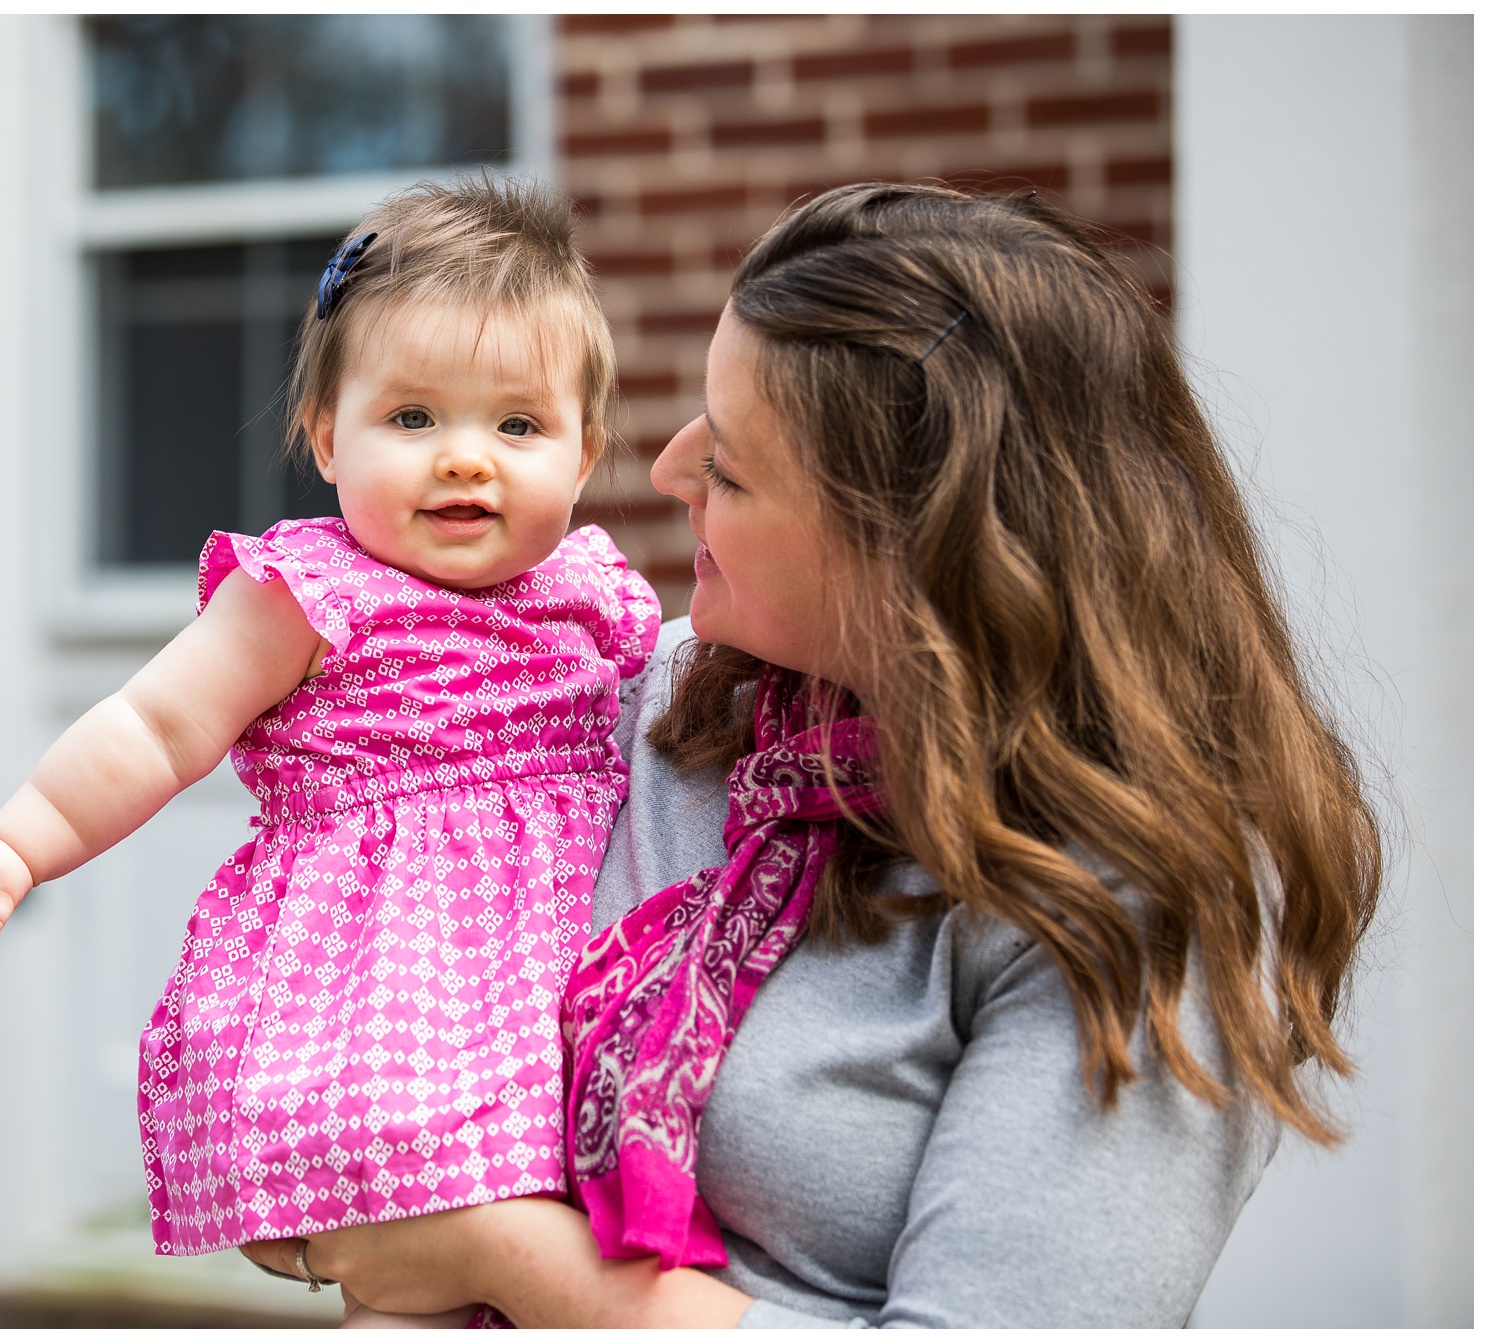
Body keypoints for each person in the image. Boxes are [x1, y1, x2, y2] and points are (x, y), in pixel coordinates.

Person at [242, 183, 1383, 1327]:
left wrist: (501, 1255)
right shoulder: (624, 696)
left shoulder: (1127, 903)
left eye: (731, 469)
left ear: (911, 552)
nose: (667, 470)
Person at [0, 176, 660, 1327]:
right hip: (388, 1005)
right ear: (324, 437)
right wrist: (22, 838)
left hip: (565, 986)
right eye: (412, 418)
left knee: (562, 1260)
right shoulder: (309, 593)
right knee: (414, 1281)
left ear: (584, 448)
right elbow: (156, 726)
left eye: (516, 423)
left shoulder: (596, 597)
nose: (466, 458)